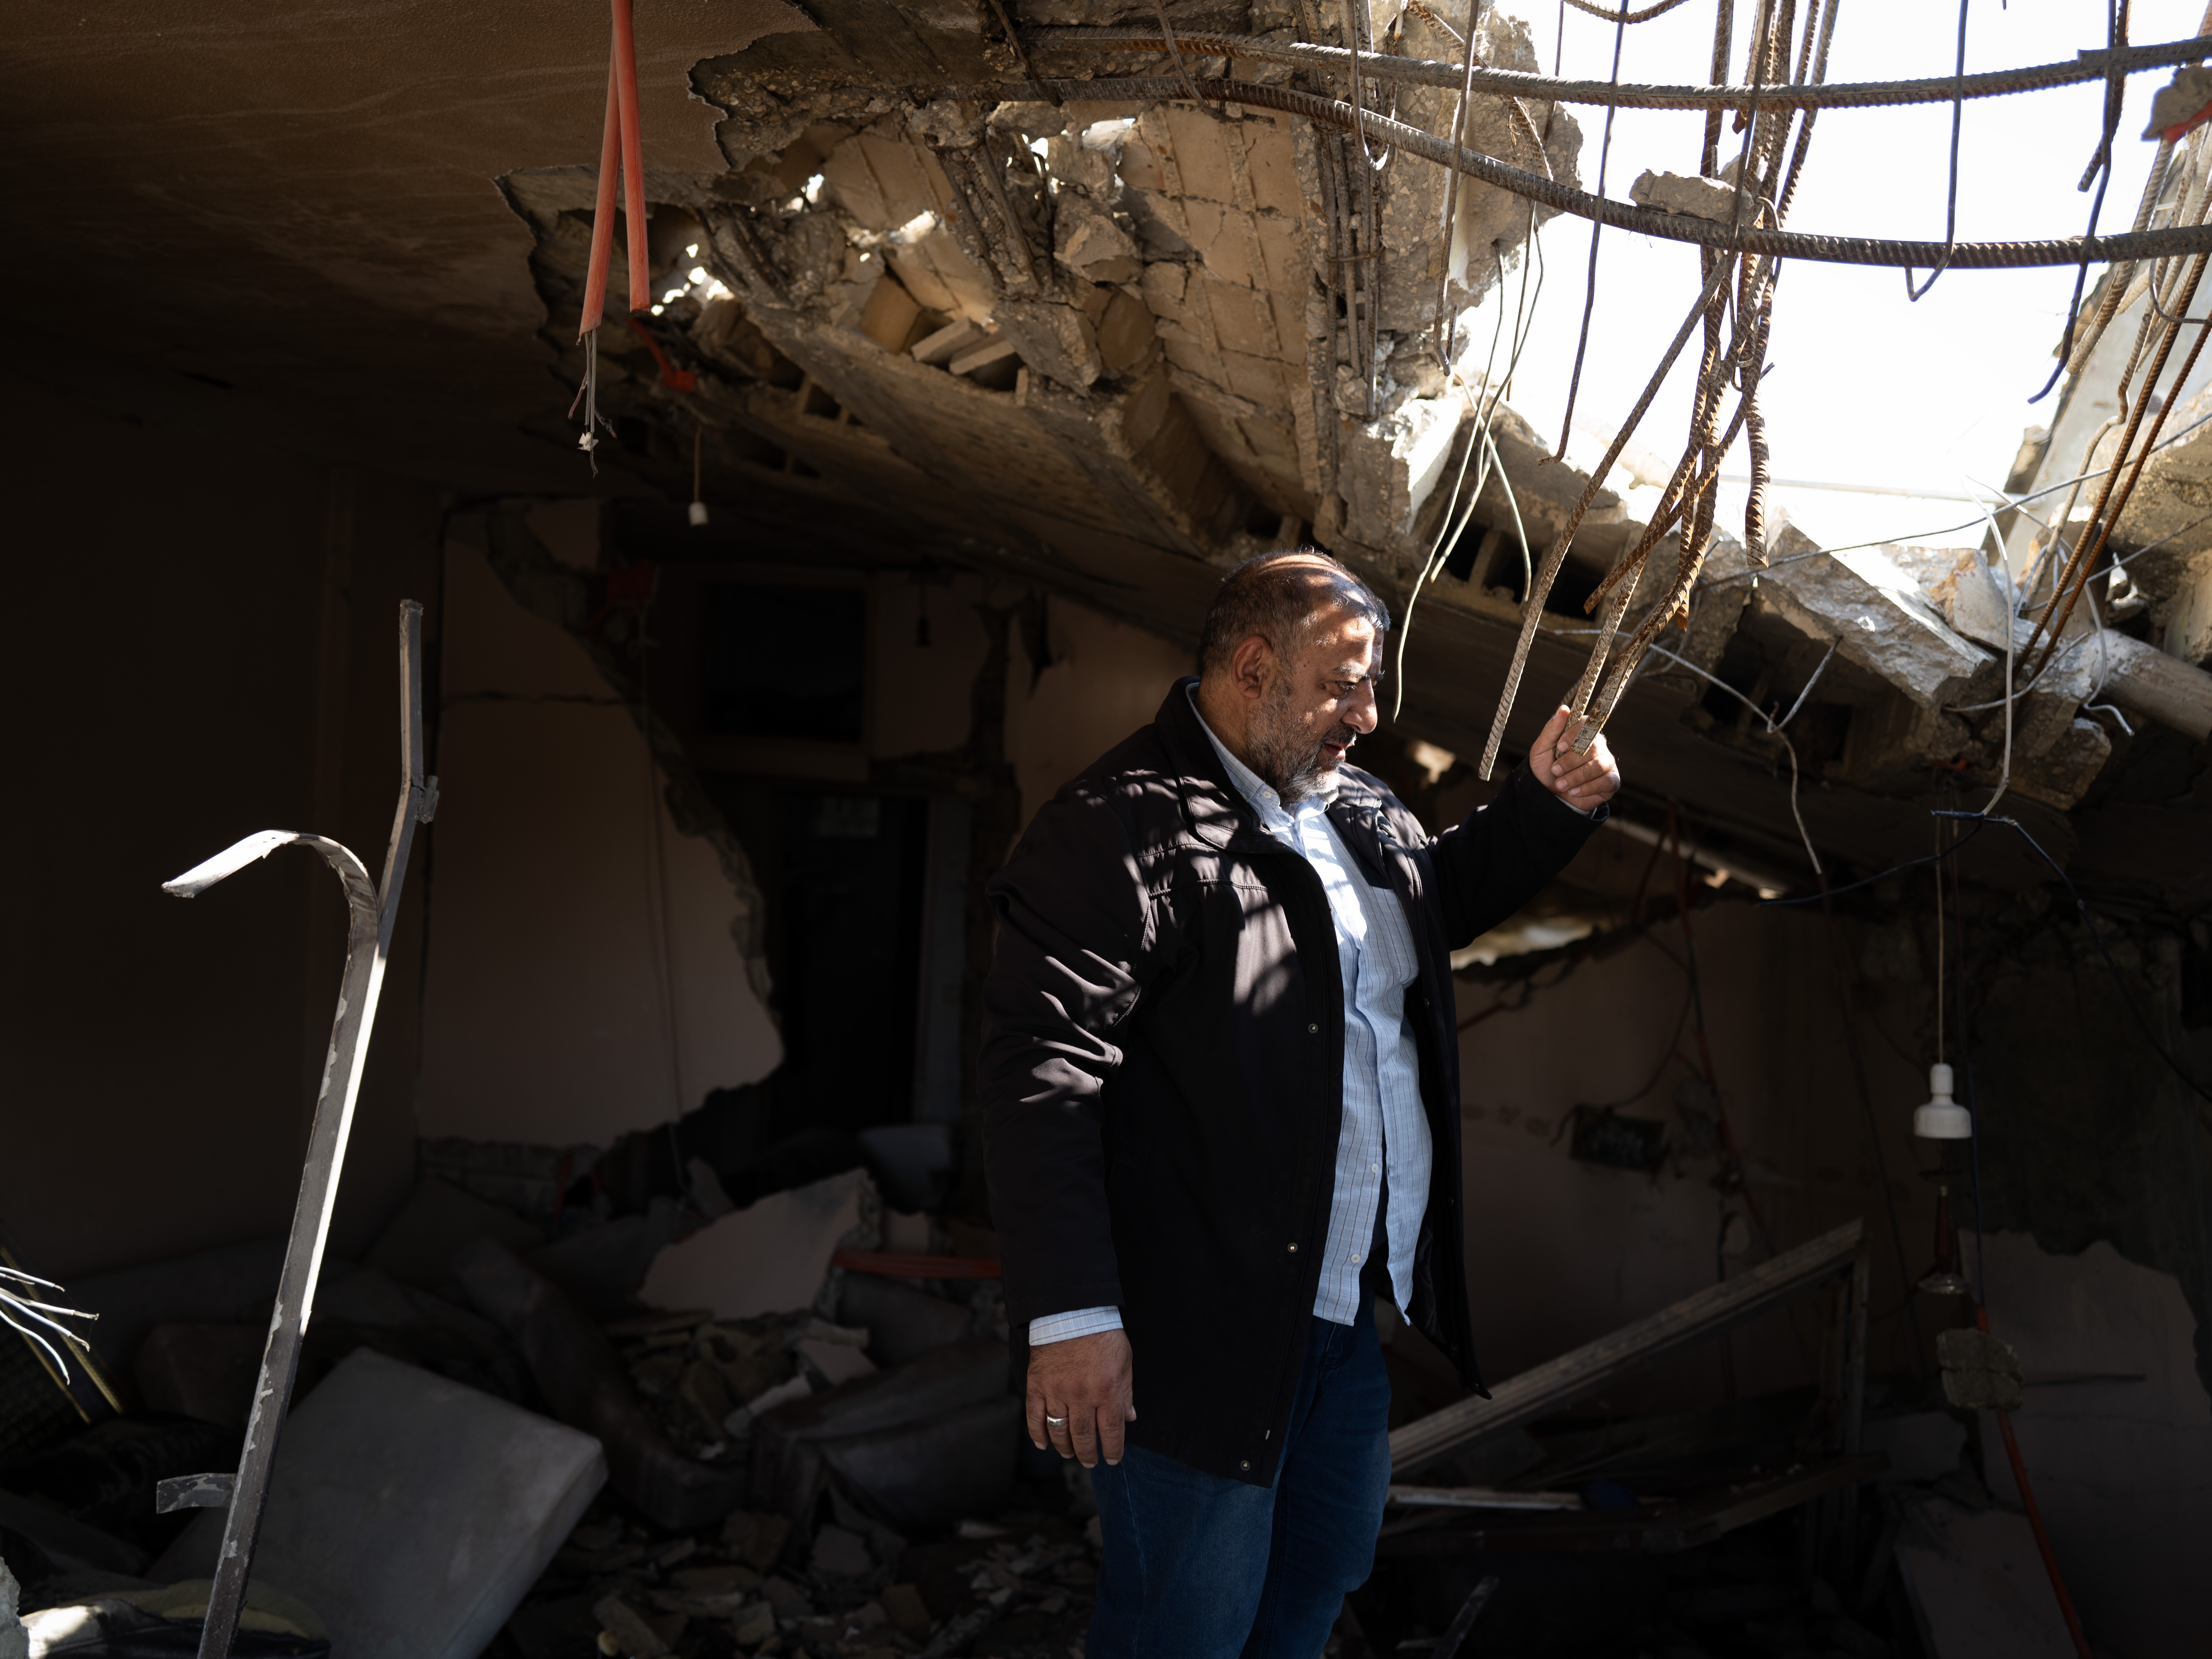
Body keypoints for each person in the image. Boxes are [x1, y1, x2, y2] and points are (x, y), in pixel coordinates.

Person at [980, 549, 1621, 1657]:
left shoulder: (1355, 808)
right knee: (1185, 1622)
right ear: (1252, 666)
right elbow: (1045, 1070)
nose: (1368, 715)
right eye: (1344, 686)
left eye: (1375, 687)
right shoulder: (1119, 831)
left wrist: (1543, 809)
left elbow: (1432, 909)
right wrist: (1073, 1316)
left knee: (1312, 1590)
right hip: (1197, 1332)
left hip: (1338, 1320)